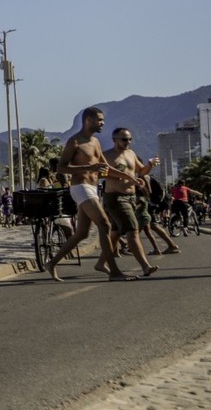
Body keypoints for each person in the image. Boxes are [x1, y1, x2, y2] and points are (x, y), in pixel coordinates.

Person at [45, 107, 141, 282]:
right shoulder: (75, 142)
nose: (103, 123)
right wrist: (88, 168)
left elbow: (106, 168)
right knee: (104, 224)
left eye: (103, 120)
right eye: (99, 120)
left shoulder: (96, 142)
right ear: (88, 120)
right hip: (80, 187)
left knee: (82, 233)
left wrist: (130, 177)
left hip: (93, 188)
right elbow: (60, 167)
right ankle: (114, 272)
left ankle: (52, 263)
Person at [101, 128, 159, 277]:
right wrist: (122, 177)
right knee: (132, 231)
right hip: (116, 198)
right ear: (115, 140)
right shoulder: (106, 156)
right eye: (124, 139)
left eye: (130, 139)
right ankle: (145, 266)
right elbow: (101, 173)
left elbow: (142, 171)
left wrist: (150, 164)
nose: (129, 142)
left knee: (115, 233)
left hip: (131, 198)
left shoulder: (131, 154)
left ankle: (101, 263)